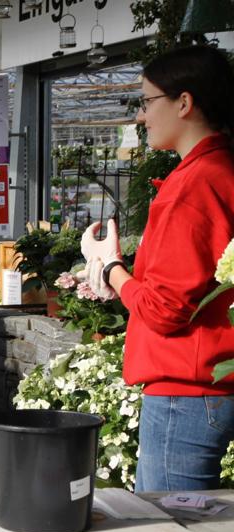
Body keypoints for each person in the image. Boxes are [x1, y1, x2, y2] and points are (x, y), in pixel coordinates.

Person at [81, 45, 234, 492]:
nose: (142, 116)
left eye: (147, 102)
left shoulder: (194, 186)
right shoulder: (222, 170)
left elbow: (166, 309)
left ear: (184, 103)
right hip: (212, 379)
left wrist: (110, 267)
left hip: (186, 389)